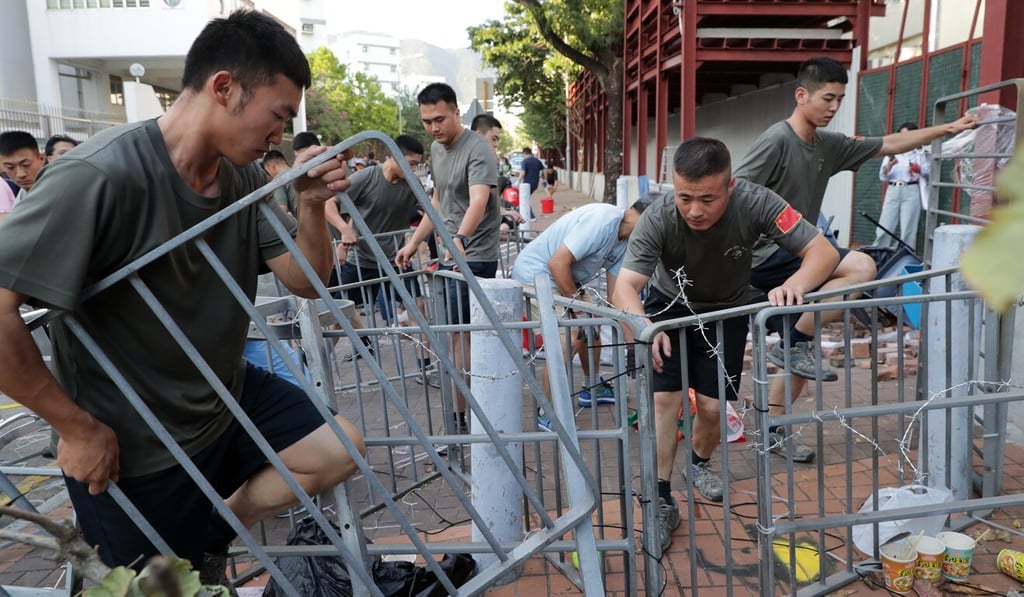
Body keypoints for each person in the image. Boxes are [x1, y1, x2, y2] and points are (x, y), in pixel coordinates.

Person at [0, 10, 366, 584]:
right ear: (224, 88)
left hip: (225, 396)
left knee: (338, 448)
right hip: (131, 441)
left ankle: (214, 530)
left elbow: (304, 279)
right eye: (277, 116)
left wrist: (313, 206)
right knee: (156, 588)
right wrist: (74, 427)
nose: (280, 136)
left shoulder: (240, 177)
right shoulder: (97, 175)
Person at [735, 56, 977, 462]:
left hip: (799, 255)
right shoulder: (776, 141)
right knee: (861, 267)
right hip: (767, 254)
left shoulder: (827, 144)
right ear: (802, 95)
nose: (833, 107)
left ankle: (774, 425)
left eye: (839, 99)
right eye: (827, 98)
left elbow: (888, 143)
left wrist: (949, 128)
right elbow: (738, 189)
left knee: (808, 344)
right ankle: (794, 341)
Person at [612, 137, 839, 550]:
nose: (695, 210)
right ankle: (661, 498)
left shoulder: (756, 201)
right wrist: (643, 325)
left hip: (726, 314)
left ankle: (698, 464)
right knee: (666, 402)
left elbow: (822, 252)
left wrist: (794, 285)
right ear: (673, 187)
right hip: (668, 309)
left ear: (730, 186)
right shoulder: (660, 215)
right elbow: (625, 285)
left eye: (708, 199)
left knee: (714, 409)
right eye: (685, 197)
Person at [395, 82, 499, 436]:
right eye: (426, 121)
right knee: (453, 339)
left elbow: (478, 201)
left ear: (456, 112)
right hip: (449, 257)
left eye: (439, 118)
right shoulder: (436, 151)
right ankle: (460, 419)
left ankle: (474, 417)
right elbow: (438, 202)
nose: (433, 128)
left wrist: (459, 239)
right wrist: (414, 242)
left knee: (465, 340)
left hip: (475, 256)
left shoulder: (478, 148)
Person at [511, 195, 654, 430]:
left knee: (592, 324)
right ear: (650, 219)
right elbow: (557, 263)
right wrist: (577, 309)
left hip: (564, 280)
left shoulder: (626, 242)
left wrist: (634, 344)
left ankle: (592, 387)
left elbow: (616, 296)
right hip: (535, 277)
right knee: (571, 335)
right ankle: (548, 412)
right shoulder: (604, 220)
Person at [323, 134, 425, 362]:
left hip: (396, 260)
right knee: (339, 315)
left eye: (416, 166)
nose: (413, 170)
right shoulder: (366, 177)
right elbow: (328, 203)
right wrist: (344, 229)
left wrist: (413, 243)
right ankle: (312, 367)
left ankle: (426, 365)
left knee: (418, 308)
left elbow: (430, 213)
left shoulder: (412, 185)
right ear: (393, 156)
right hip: (361, 260)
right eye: (410, 164)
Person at [875, 123, 929, 249]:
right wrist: (889, 165)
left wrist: (918, 169)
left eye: (907, 135)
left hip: (911, 189)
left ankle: (904, 258)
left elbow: (929, 171)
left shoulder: (919, 153)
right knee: (885, 225)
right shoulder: (892, 151)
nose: (903, 138)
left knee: (908, 228)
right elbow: (883, 176)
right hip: (893, 189)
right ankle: (878, 253)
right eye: (900, 134)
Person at [0, 131, 45, 206]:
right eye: (10, 167)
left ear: (41, 158)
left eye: (26, 165)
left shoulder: (59, 189)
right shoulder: (22, 194)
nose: (20, 174)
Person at [261, 149, 296, 216]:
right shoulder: (296, 171)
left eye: (267, 171)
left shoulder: (278, 180)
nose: (269, 174)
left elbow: (281, 212)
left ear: (270, 165)